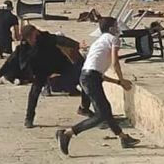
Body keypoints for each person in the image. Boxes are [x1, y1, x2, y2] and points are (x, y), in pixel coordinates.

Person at [55, 17, 139, 155]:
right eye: (116, 26)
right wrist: (122, 79)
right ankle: (68, 133)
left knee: (105, 110)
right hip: (91, 78)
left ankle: (123, 138)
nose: (118, 28)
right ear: (112, 28)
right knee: (101, 115)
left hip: (86, 77)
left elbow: (99, 74)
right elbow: (115, 63)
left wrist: (118, 83)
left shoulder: (98, 41)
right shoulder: (113, 39)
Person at [8, 25, 90, 129]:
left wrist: (77, 45)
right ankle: (29, 118)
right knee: (35, 91)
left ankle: (84, 107)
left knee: (83, 78)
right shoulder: (25, 45)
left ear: (36, 32)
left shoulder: (45, 37)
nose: (31, 40)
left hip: (58, 63)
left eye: (31, 36)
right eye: (28, 38)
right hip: (41, 68)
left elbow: (60, 40)